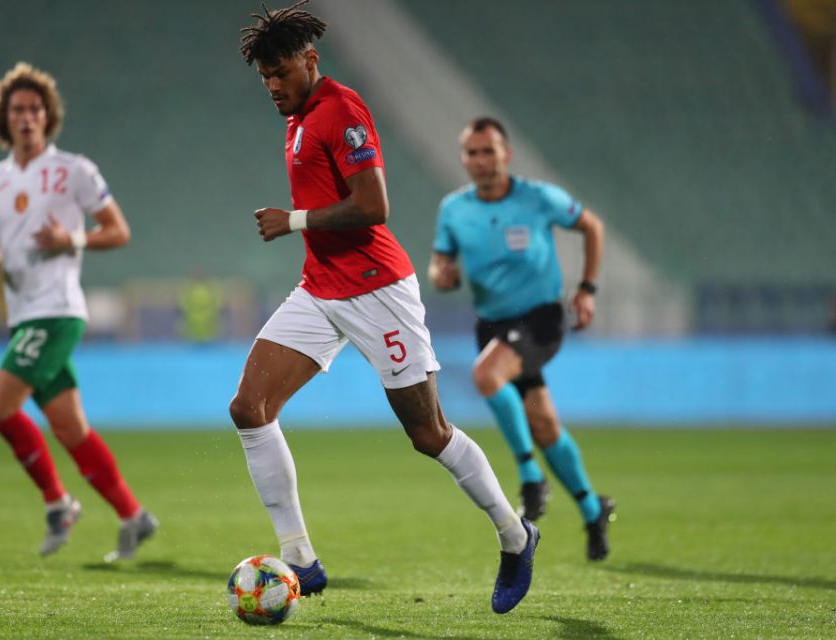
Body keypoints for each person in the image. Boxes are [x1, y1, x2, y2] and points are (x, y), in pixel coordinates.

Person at [232, 2, 539, 614]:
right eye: (264, 76)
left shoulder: (341, 110)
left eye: (281, 72)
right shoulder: (296, 119)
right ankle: (300, 560)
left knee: (428, 434)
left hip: (378, 293)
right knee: (249, 407)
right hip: (320, 290)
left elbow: (374, 206)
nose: (272, 85)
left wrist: (291, 220)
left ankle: (514, 534)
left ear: (311, 60)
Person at [0, 62, 157, 561]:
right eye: (18, 109)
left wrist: (73, 238)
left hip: (57, 310)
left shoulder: (73, 171)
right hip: (24, 313)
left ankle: (58, 502)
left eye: (36, 108)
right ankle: (133, 515)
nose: (27, 117)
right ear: (4, 117)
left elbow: (118, 230)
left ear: (48, 116)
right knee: (69, 428)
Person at [429, 116, 615, 561]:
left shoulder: (536, 197)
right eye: (471, 152)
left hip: (540, 319)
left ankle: (530, 476)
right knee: (544, 424)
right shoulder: (454, 209)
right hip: (492, 325)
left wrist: (586, 289)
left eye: (488, 150)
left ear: (505, 154)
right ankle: (593, 508)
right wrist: (443, 275)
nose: (479, 160)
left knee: (486, 375)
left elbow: (593, 226)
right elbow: (439, 265)